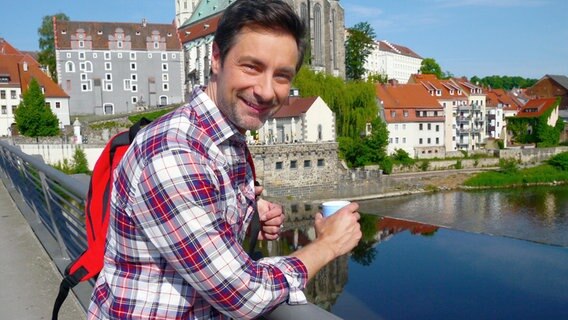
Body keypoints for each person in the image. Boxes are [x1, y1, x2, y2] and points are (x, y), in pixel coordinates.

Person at [88, 0, 362, 319]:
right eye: (252, 67)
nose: (265, 91)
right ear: (216, 58)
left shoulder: (224, 139)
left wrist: (245, 212)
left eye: (282, 76)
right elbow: (244, 296)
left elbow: (208, 245)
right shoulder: (174, 151)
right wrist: (328, 245)